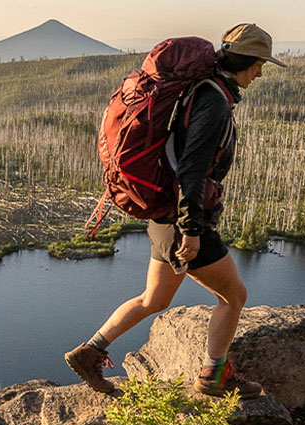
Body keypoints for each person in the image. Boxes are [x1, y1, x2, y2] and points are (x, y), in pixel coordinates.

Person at [66, 23, 285, 398]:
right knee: (234, 296)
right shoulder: (213, 100)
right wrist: (193, 230)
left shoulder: (204, 90)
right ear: (246, 61)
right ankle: (215, 376)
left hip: (165, 216)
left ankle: (89, 351)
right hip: (181, 219)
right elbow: (192, 169)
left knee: (154, 299)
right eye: (260, 63)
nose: (261, 72)